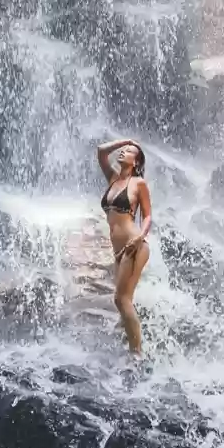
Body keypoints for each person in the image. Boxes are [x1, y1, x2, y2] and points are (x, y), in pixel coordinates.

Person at [96, 138, 154, 356]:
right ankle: (131, 342)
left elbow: (148, 215)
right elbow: (101, 152)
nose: (122, 152)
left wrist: (140, 236)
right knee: (123, 300)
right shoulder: (113, 179)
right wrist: (126, 140)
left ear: (136, 161)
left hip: (134, 245)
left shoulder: (138, 183)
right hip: (119, 251)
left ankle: (138, 357)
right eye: (123, 149)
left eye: (129, 151)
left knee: (121, 299)